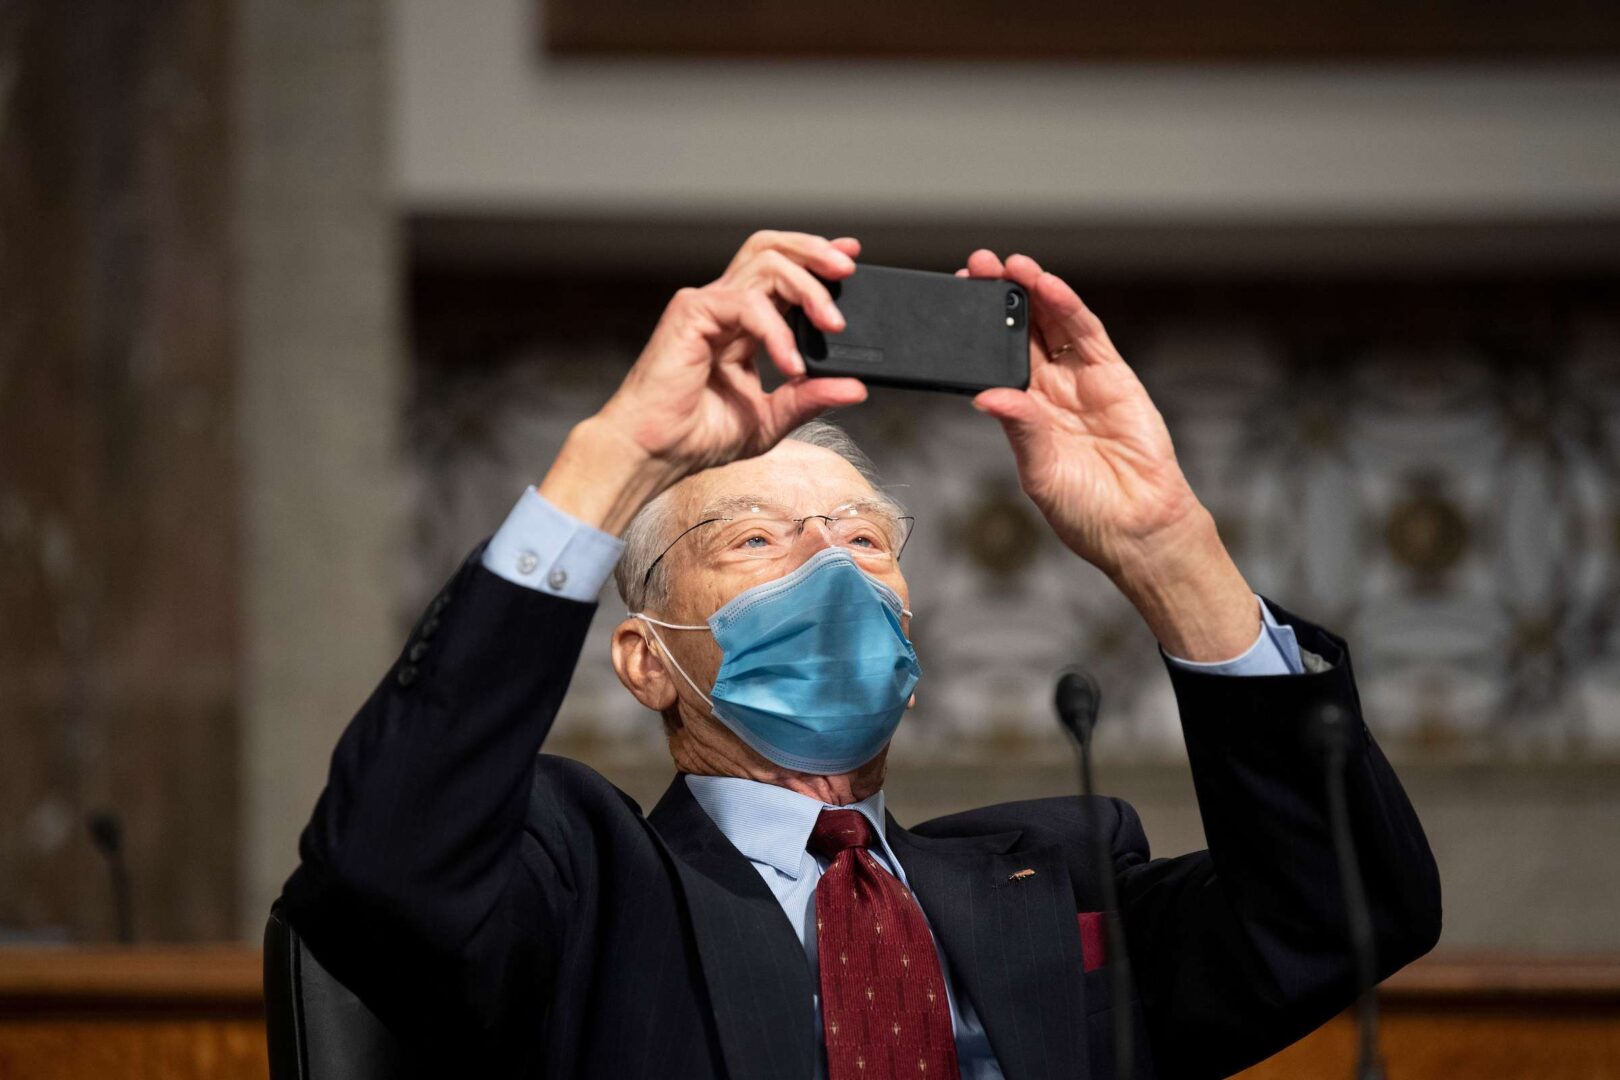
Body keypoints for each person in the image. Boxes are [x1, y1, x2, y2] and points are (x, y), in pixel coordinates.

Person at [281, 231, 1440, 1080]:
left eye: (865, 541)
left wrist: (1169, 549)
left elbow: (1347, 913)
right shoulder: (580, 883)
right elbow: (378, 866)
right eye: (754, 540)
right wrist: (617, 457)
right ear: (643, 661)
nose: (829, 565)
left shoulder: (1053, 877)